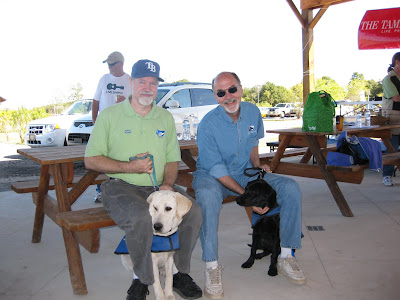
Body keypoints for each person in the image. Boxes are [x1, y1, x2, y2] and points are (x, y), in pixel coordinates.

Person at [85, 59, 203, 300]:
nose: (147, 88)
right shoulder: (109, 116)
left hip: (158, 187)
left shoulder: (165, 118)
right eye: (141, 82)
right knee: (140, 217)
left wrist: (169, 184)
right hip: (120, 186)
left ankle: (179, 272)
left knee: (194, 213)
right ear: (130, 82)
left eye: (152, 83)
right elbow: (92, 160)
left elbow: (172, 159)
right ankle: (142, 279)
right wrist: (129, 167)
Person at [192, 72, 306, 299]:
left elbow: (253, 144)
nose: (228, 96)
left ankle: (285, 256)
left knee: (290, 187)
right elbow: (216, 169)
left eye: (232, 89)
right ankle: (212, 266)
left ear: (241, 89)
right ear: (215, 96)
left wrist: (258, 168)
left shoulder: (253, 112)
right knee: (206, 197)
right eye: (221, 93)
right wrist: (249, 197)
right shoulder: (208, 124)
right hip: (212, 175)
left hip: (245, 172)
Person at [92, 51, 132, 202]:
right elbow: (95, 101)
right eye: (107, 64)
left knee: (120, 157)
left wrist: (126, 101)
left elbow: (136, 103)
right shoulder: (104, 79)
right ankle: (100, 191)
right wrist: (95, 120)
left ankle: (122, 189)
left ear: (120, 64)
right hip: (104, 125)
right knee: (101, 158)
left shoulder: (129, 80)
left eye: (111, 64)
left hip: (123, 126)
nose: (109, 67)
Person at [381, 52, 400, 186]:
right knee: (391, 147)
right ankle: (386, 175)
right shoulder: (389, 79)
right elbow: (396, 98)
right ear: (397, 62)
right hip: (392, 118)